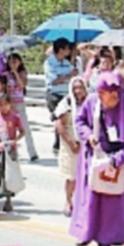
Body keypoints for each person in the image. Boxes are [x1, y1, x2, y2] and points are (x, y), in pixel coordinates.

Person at [70, 72, 124, 246]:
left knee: (109, 205)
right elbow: (79, 121)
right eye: (102, 93)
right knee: (89, 199)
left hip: (114, 164)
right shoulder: (91, 102)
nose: (106, 98)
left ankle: (106, 242)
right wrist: (88, 135)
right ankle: (86, 233)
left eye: (111, 94)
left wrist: (118, 159)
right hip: (93, 159)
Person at [53, 78, 87, 216]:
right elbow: (59, 125)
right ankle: (68, 201)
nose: (78, 91)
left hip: (87, 142)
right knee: (71, 175)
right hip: (70, 142)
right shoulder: (66, 103)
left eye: (80, 87)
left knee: (86, 175)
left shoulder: (91, 101)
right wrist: (72, 143)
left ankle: (83, 202)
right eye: (75, 88)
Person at [0, 93, 24, 212]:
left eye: (6, 105)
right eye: (1, 105)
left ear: (10, 105)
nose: (3, 108)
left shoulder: (15, 117)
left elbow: (22, 131)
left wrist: (15, 141)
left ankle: (8, 200)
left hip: (9, 150)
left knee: (9, 175)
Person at [44, 39, 77, 152]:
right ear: (61, 49)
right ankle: (58, 144)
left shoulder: (66, 62)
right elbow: (53, 80)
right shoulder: (50, 63)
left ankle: (59, 143)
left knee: (64, 119)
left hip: (66, 94)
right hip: (54, 95)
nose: (68, 51)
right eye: (67, 48)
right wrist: (67, 76)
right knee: (60, 118)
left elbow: (73, 73)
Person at [6, 53, 39, 162]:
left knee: (25, 128)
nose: (14, 64)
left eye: (16, 61)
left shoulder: (22, 73)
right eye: (12, 62)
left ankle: (32, 152)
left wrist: (15, 72)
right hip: (9, 103)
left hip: (19, 103)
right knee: (9, 129)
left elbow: (22, 85)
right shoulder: (5, 75)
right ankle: (10, 150)